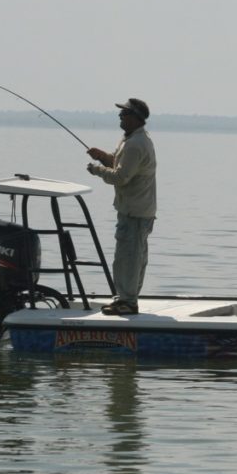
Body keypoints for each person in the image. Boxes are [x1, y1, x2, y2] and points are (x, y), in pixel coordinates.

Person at [86, 98, 157, 316]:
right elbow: (120, 165)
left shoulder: (136, 144)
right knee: (131, 257)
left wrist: (97, 170)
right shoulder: (131, 140)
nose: (120, 116)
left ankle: (128, 302)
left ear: (136, 117)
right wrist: (103, 157)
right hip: (136, 210)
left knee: (129, 258)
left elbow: (121, 177)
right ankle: (126, 299)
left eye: (124, 113)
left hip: (135, 212)